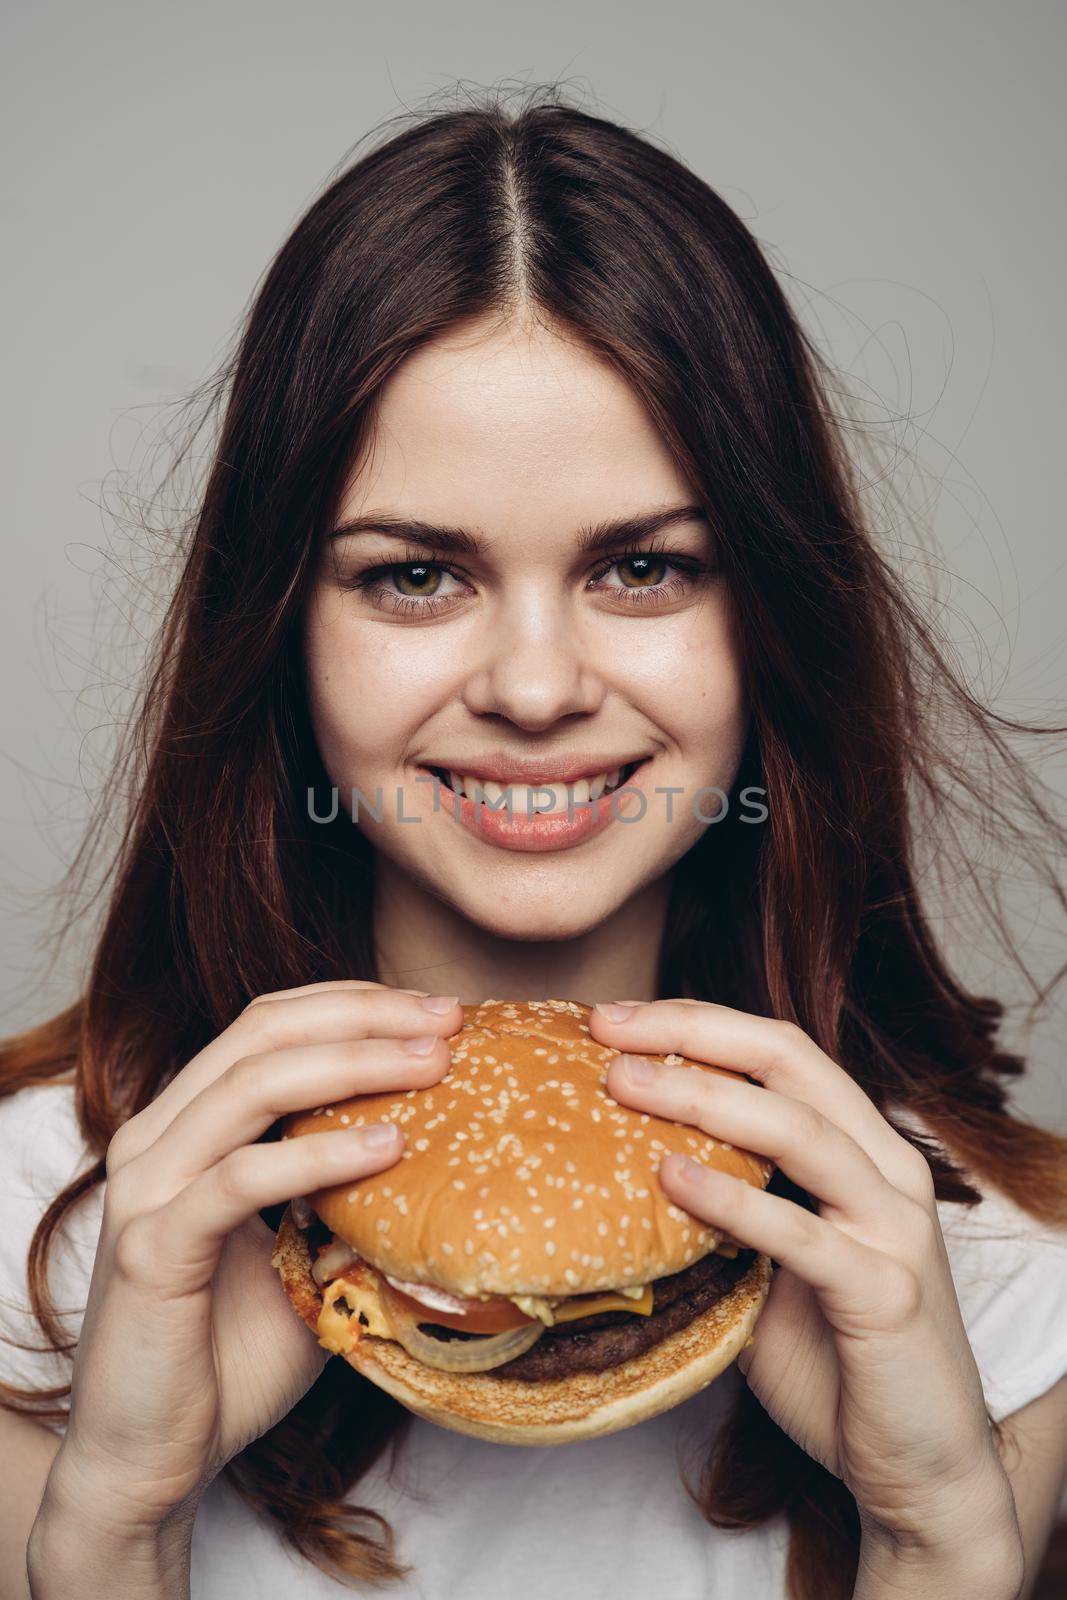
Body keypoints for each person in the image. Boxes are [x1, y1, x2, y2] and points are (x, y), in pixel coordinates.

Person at [2, 87, 1067, 1600]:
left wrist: (941, 1538)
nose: (536, 688)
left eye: (644, 566)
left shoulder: (1001, 1275)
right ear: (281, 629)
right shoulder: (30, 1237)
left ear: (770, 613)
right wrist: (108, 1522)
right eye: (417, 575)